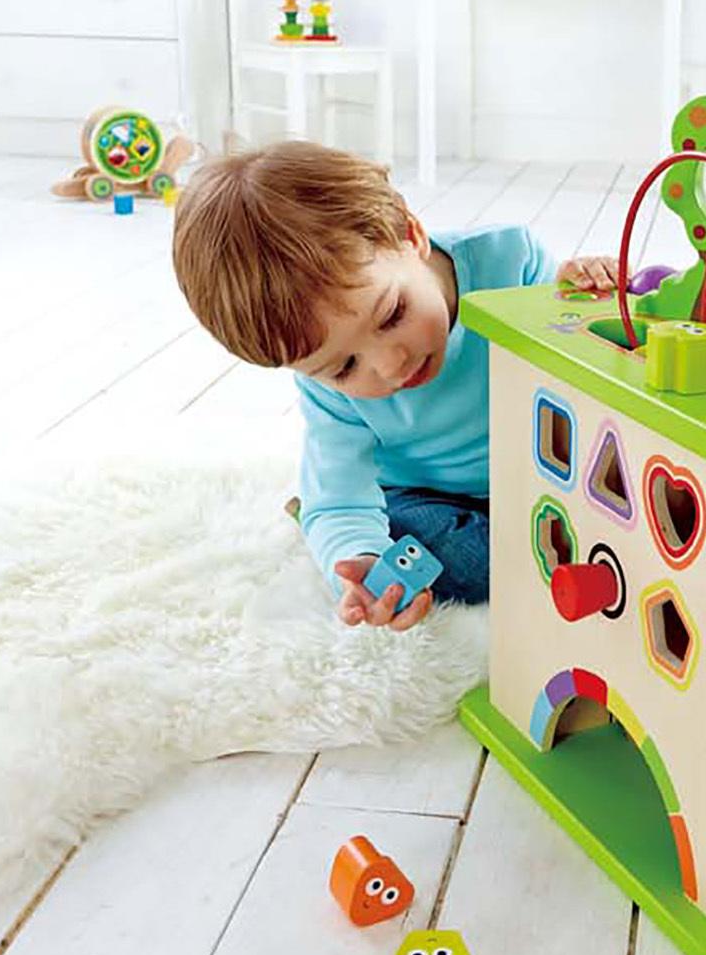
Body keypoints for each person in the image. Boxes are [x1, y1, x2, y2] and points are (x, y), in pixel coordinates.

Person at [173, 142, 617, 629]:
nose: (390, 365)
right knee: (478, 560)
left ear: (410, 233)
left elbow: (579, 358)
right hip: (424, 495)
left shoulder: (507, 263)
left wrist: (585, 293)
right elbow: (341, 497)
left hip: (540, 474)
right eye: (344, 367)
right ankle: (320, 524)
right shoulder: (328, 394)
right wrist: (360, 560)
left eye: (391, 315)